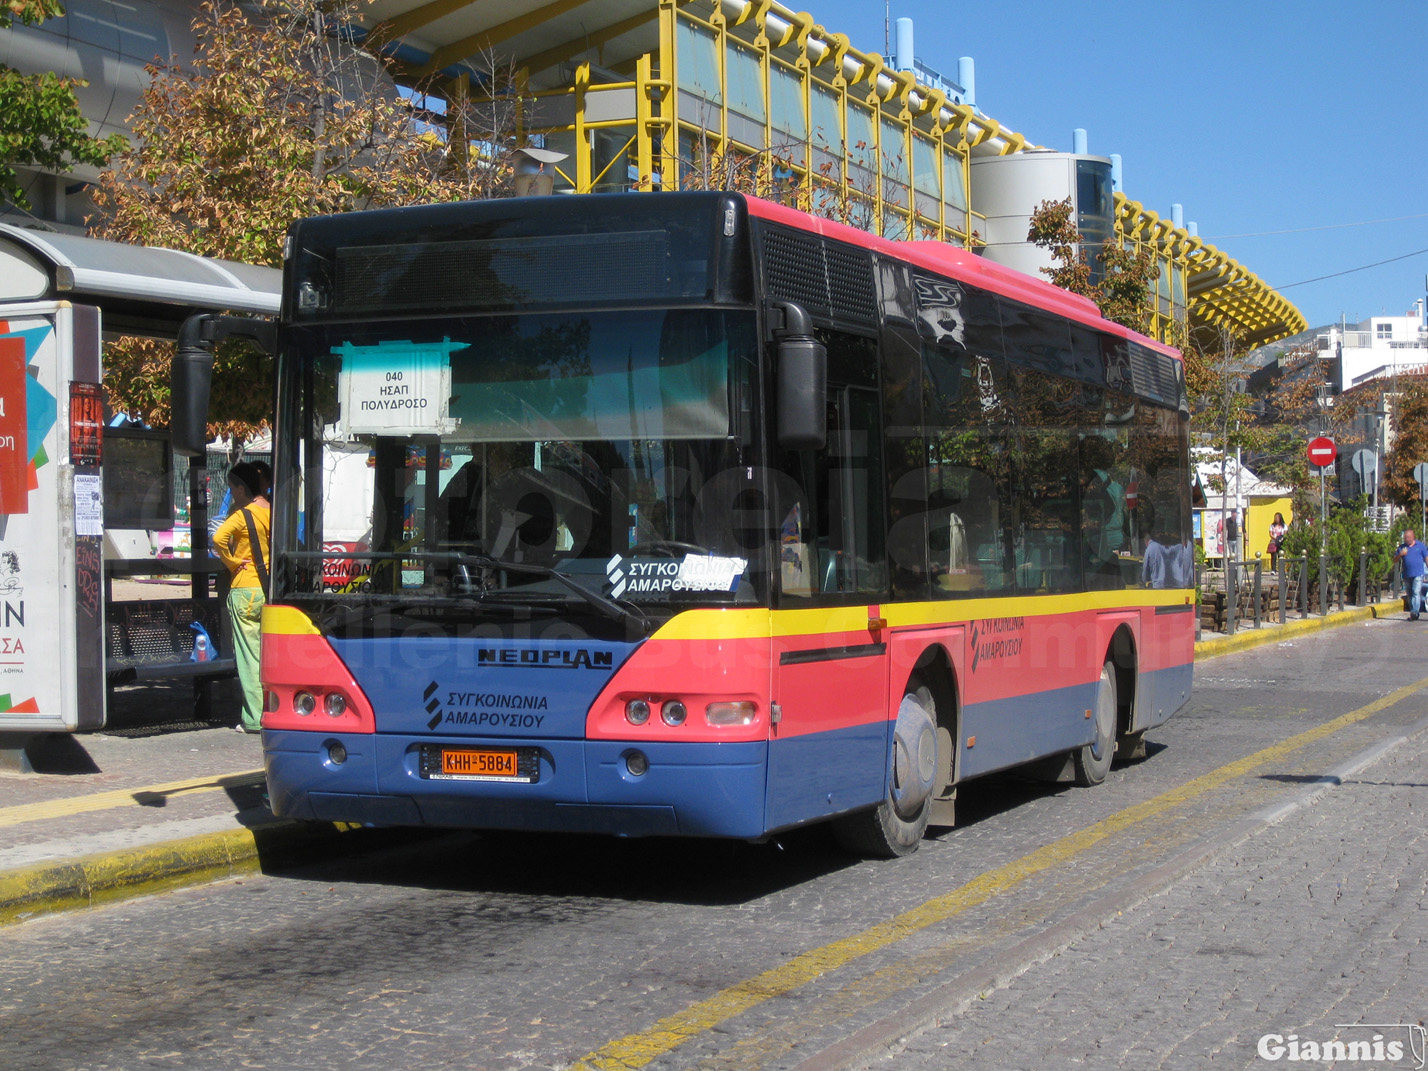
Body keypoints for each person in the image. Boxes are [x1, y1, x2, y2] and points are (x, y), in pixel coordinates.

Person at [213, 462, 271, 732]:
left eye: (233, 488)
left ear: (241, 487)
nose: (232, 493)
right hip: (268, 589)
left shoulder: (241, 515)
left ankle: (254, 717)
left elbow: (218, 539)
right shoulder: (274, 510)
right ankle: (273, 709)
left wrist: (233, 562)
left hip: (244, 588)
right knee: (267, 653)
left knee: (249, 656)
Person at [1395, 529, 1428, 620]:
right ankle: (1414, 610)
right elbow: (1395, 560)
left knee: (1416, 592)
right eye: (1405, 537)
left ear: (1413, 537)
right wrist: (1400, 555)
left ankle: (1414, 612)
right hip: (1407, 574)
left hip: (1418, 574)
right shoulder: (1402, 547)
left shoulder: (1420, 546)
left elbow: (1426, 558)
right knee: (1409, 594)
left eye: (1408, 537)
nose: (1406, 539)